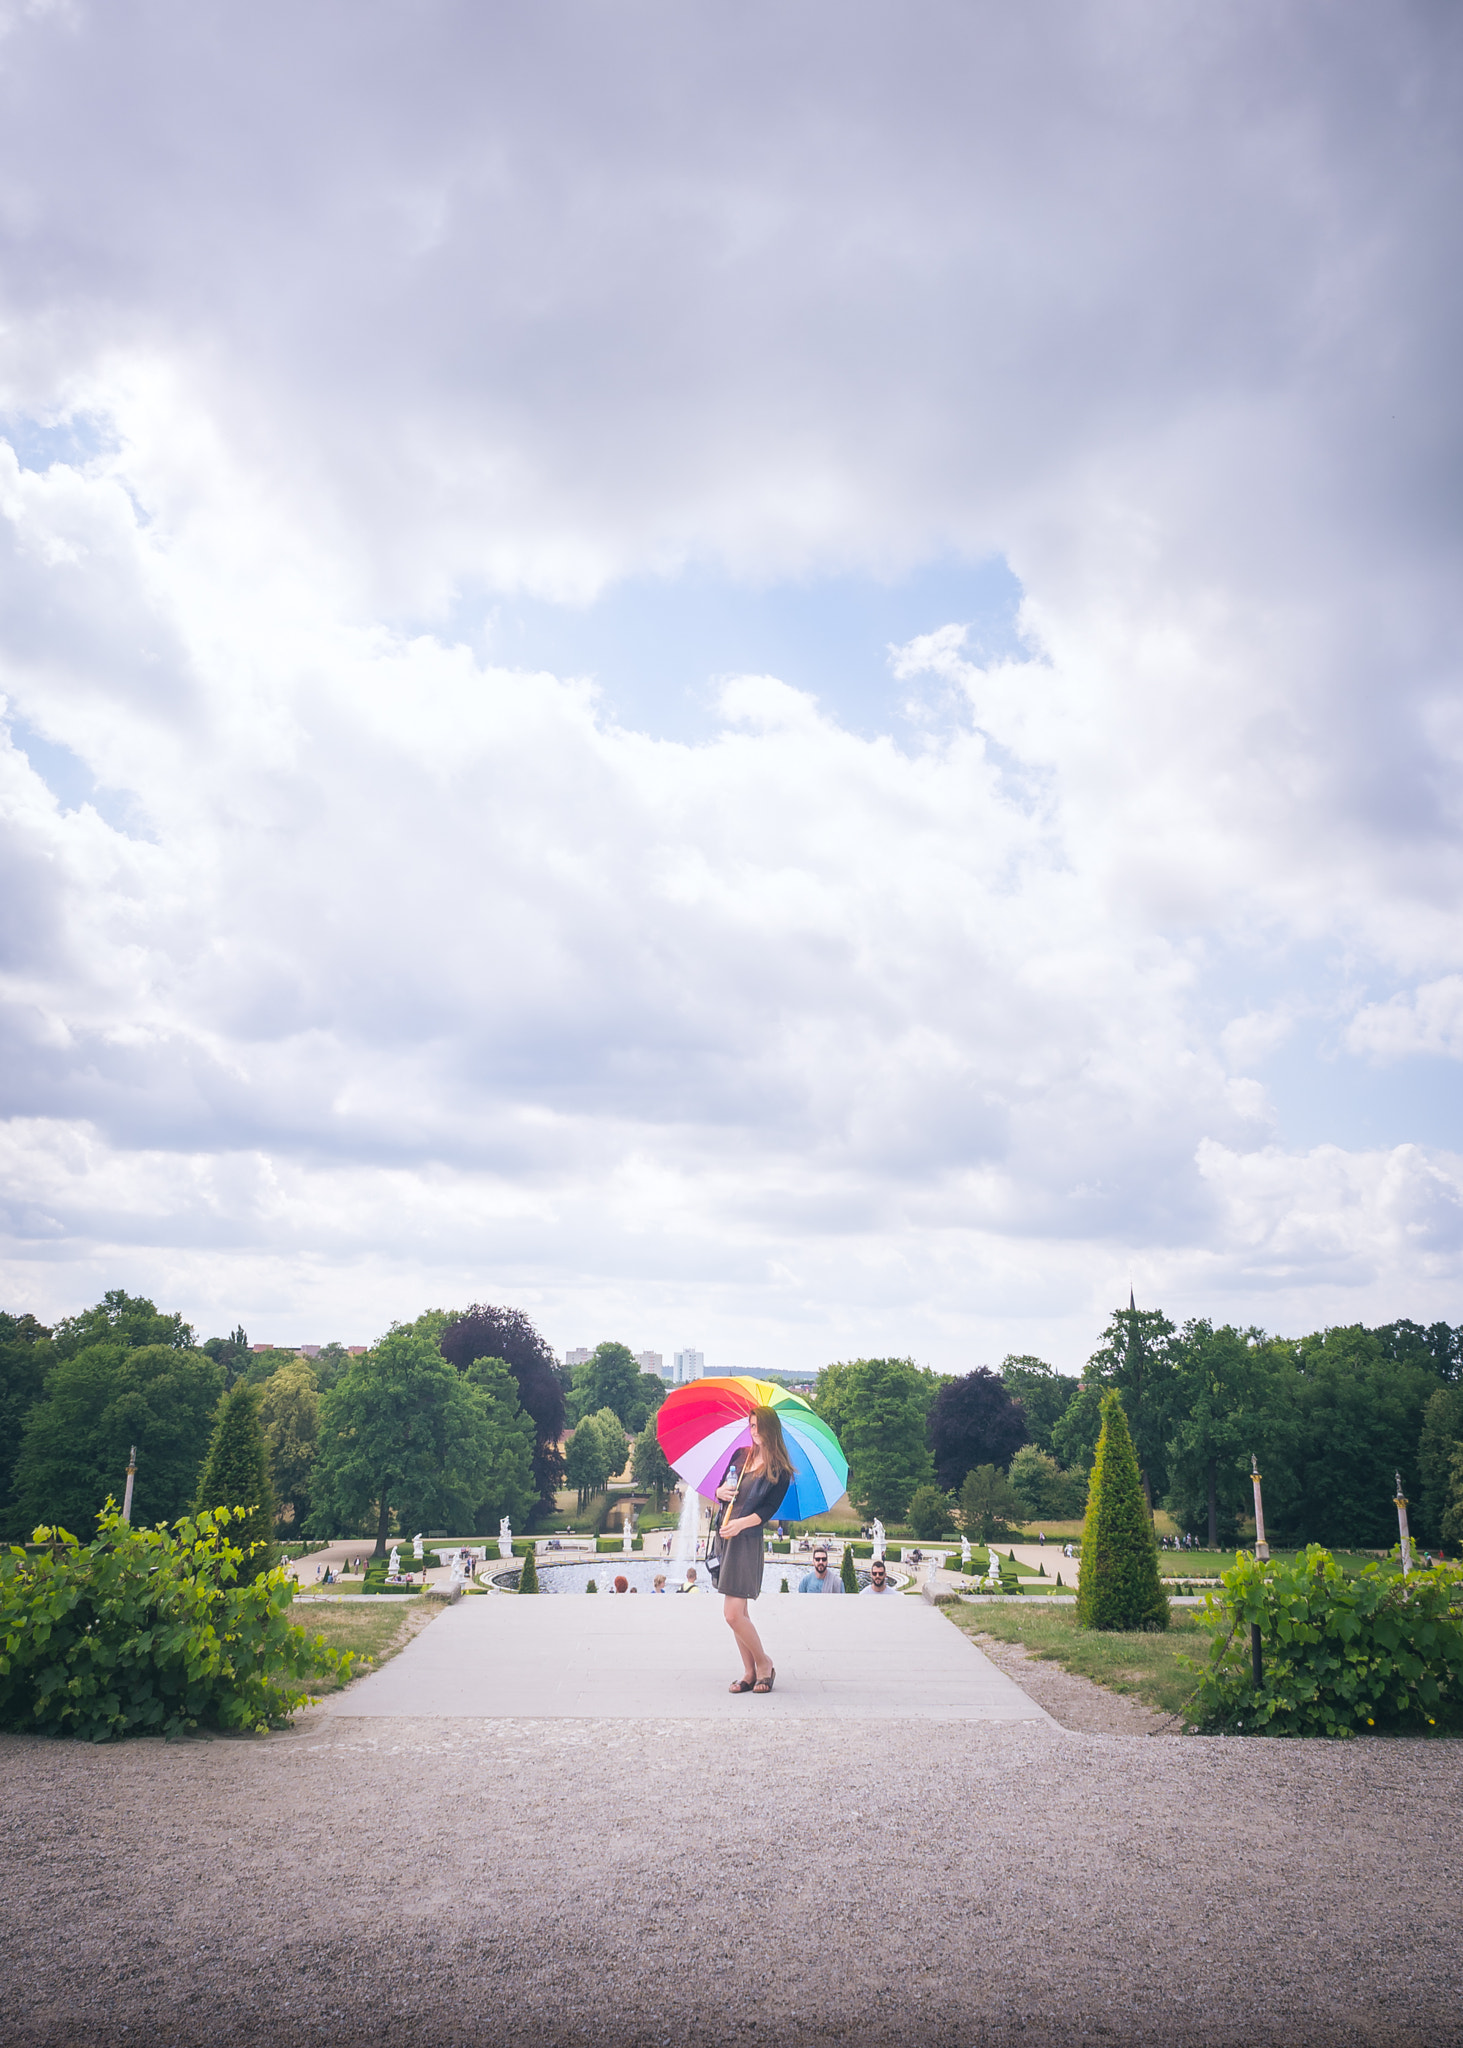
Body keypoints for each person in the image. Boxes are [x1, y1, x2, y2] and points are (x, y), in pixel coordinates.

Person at [715, 1406, 794, 1693]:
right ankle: (748, 1672)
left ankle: (764, 1663)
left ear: (771, 1429)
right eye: (751, 1426)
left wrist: (740, 1525)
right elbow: (723, 1488)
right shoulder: (740, 1456)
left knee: (732, 1614)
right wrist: (719, 1492)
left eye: (759, 1426)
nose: (754, 1431)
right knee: (741, 1613)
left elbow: (767, 1511)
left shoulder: (780, 1471)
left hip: (747, 1542)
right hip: (726, 1537)